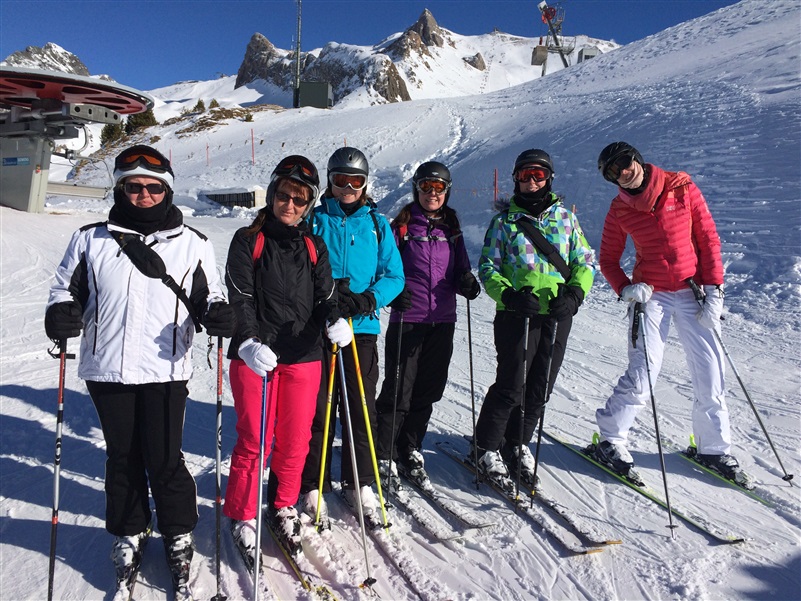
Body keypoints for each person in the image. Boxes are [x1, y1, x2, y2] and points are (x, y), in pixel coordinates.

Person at [44, 145, 235, 596]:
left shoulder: (194, 243)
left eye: (154, 188)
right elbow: (63, 289)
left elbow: (211, 295)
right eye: (133, 187)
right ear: (120, 189)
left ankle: (178, 531)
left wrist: (219, 314)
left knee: (166, 458)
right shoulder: (90, 239)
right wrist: (60, 313)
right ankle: (129, 530)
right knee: (122, 456)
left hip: (166, 369)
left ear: (167, 191)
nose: (144, 195)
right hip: (107, 368)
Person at [592, 142, 746, 484]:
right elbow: (608, 259)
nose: (622, 172)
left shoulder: (681, 187)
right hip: (652, 295)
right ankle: (611, 439)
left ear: (637, 159)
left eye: (624, 163)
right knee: (644, 370)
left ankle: (713, 448)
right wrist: (626, 288)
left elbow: (708, 239)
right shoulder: (619, 209)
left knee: (711, 371)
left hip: (693, 290)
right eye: (612, 172)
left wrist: (714, 291)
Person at [222, 155, 351, 560]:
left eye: (299, 199)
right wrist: (248, 340)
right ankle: (243, 514)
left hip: (304, 355)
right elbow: (240, 296)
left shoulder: (314, 245)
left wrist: (336, 320)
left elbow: (327, 296)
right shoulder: (249, 239)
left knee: (296, 440)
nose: (289, 205)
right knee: (254, 440)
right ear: (273, 194)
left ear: (309, 203)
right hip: (255, 356)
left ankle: (282, 505)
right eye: (283, 195)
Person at [473, 149, 595, 485]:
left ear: (549, 178)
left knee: (540, 387)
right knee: (512, 384)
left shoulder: (566, 220)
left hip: (555, 314)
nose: (531, 181)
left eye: (537, 175)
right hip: (517, 313)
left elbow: (584, 262)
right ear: (515, 179)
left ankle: (517, 442)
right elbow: (488, 266)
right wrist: (509, 295)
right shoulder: (504, 223)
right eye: (524, 175)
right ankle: (485, 446)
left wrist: (575, 294)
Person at [299, 147, 404, 529]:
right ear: (329, 181)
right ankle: (313, 484)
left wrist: (368, 300)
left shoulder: (376, 223)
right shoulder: (314, 219)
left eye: (355, 181)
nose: (347, 188)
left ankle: (359, 483)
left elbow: (394, 275)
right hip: (320, 329)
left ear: (365, 184)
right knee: (319, 410)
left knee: (360, 408)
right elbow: (298, 268)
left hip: (360, 330)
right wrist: (320, 302)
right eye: (340, 180)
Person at [375, 161, 480, 491]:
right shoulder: (402, 227)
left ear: (446, 191)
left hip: (442, 320)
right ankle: (384, 453)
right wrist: (394, 294)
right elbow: (384, 269)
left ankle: (410, 447)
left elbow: (461, 267)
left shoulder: (452, 228)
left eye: (438, 188)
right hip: (408, 318)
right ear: (416, 189)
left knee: (429, 389)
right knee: (398, 390)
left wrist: (466, 281)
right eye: (425, 187)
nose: (432, 193)